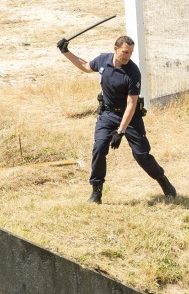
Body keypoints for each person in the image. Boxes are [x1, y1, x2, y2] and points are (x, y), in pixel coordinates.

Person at [57, 35, 176, 204]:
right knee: (99, 148)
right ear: (116, 48)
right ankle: (96, 191)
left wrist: (120, 131)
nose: (128, 56)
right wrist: (65, 51)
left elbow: (131, 105)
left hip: (130, 117)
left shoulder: (133, 72)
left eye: (130, 53)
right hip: (107, 114)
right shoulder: (103, 60)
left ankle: (162, 179)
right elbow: (85, 66)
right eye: (125, 52)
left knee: (141, 155)